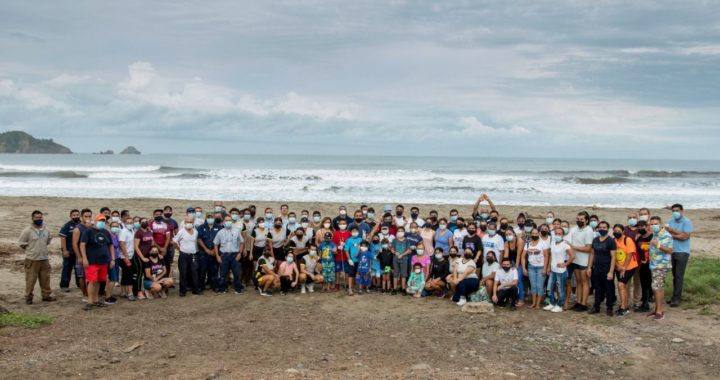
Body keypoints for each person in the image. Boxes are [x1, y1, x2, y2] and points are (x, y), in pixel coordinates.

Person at [79, 214, 115, 310]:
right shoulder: (89, 231)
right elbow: (82, 245)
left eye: (103, 221)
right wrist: (84, 258)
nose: (102, 222)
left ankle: (96, 300)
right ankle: (90, 301)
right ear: (95, 221)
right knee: (92, 281)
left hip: (103, 261)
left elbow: (110, 246)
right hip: (92, 261)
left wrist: (112, 259)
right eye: (100, 220)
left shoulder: (106, 232)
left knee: (99, 281)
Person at [19, 210, 55, 305]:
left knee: (45, 279)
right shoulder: (27, 230)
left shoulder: (46, 229)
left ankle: (46, 296)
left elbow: (48, 241)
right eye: (37, 217)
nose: (39, 219)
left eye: (40, 217)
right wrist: (31, 250)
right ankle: (28, 297)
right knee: (30, 280)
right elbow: (22, 244)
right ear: (32, 218)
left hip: (44, 259)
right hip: (32, 259)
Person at [665, 204, 693, 307]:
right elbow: (666, 233)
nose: (675, 212)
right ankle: (674, 297)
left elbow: (685, 236)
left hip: (682, 252)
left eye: (677, 210)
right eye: (673, 211)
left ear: (682, 211)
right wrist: (678, 234)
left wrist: (672, 232)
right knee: (674, 276)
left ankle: (676, 299)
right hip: (672, 251)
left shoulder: (687, 222)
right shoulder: (670, 221)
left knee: (679, 276)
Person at [587, 221, 617, 316]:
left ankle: (609, 308)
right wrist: (589, 267)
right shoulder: (595, 240)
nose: (602, 229)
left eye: (604, 227)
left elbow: (613, 257)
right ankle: (596, 307)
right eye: (600, 227)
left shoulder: (611, 241)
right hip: (597, 268)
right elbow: (592, 254)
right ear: (598, 229)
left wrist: (611, 272)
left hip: (607, 268)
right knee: (597, 288)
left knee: (608, 288)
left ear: (608, 229)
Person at [648, 216, 673, 320]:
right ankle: (657, 309)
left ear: (661, 224)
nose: (653, 226)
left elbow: (669, 250)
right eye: (652, 224)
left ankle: (660, 311)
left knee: (658, 288)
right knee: (655, 287)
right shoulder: (655, 234)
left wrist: (658, 245)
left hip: (661, 266)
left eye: (655, 224)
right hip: (654, 265)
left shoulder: (666, 235)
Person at [544, 227, 574, 313]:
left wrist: (565, 264)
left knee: (561, 289)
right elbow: (551, 256)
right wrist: (549, 266)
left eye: (559, 234)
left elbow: (572, 256)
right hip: (553, 270)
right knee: (550, 288)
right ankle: (552, 303)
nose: (557, 235)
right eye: (556, 233)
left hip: (561, 271)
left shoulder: (565, 244)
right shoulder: (553, 243)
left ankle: (560, 305)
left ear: (563, 235)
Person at [569, 211, 594, 311]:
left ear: (586, 220)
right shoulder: (574, 229)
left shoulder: (589, 230)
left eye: (582, 219)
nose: (579, 221)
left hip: (584, 261)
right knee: (578, 282)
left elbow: (588, 248)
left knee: (584, 282)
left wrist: (574, 247)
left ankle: (584, 303)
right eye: (578, 219)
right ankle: (578, 301)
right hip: (575, 259)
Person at [213, 216, 245, 294]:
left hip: (234, 255)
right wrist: (217, 256)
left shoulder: (236, 231)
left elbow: (241, 242)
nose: (228, 222)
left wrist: (240, 253)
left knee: (237, 273)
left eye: (229, 220)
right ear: (224, 222)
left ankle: (237, 289)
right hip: (224, 255)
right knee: (223, 273)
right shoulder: (220, 232)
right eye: (226, 220)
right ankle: (222, 289)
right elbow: (215, 244)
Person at [613, 224, 638, 316]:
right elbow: (613, 255)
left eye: (619, 230)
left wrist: (624, 267)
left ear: (623, 231)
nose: (617, 232)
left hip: (629, 266)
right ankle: (624, 304)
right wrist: (617, 265)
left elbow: (630, 254)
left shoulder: (627, 240)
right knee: (621, 286)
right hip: (618, 266)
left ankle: (624, 307)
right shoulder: (613, 241)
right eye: (615, 230)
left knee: (620, 284)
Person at [173, 216, 200, 296]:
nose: (189, 223)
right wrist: (179, 249)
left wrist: (196, 250)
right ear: (184, 223)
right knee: (183, 273)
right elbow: (174, 241)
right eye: (187, 222)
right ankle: (182, 291)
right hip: (183, 255)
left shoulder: (195, 231)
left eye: (191, 222)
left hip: (193, 255)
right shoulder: (181, 231)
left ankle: (195, 289)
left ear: (193, 223)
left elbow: (195, 242)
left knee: (194, 272)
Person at [523, 227, 549, 309]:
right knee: (533, 285)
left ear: (539, 234)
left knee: (540, 286)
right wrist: (524, 268)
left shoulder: (543, 243)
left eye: (536, 233)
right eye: (533, 233)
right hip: (531, 267)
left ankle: (538, 304)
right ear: (530, 234)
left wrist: (545, 268)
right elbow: (523, 256)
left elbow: (546, 256)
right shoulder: (528, 244)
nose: (534, 235)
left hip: (540, 267)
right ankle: (533, 303)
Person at [197, 213, 222, 292]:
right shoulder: (201, 227)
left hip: (214, 253)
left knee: (214, 270)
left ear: (214, 218)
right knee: (202, 270)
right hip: (203, 253)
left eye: (212, 217)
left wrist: (214, 250)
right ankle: (201, 286)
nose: (210, 218)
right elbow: (199, 239)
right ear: (206, 218)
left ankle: (214, 286)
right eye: (208, 217)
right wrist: (206, 249)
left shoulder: (219, 227)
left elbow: (221, 239)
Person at [71, 208, 93, 299]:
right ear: (82, 217)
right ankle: (84, 294)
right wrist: (79, 257)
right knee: (81, 276)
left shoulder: (92, 227)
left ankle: (91, 293)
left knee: (90, 276)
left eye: (89, 216)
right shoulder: (78, 229)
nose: (87, 218)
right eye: (86, 216)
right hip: (81, 255)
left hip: (91, 255)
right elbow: (74, 244)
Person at [632, 220, 653, 312]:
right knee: (644, 284)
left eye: (642, 226)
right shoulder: (639, 238)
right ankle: (645, 303)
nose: (640, 228)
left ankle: (647, 301)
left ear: (646, 226)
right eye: (638, 227)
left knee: (649, 284)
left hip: (652, 264)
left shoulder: (652, 237)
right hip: (642, 264)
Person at [58, 209, 81, 292]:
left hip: (79, 251)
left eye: (77, 215)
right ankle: (64, 285)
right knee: (67, 268)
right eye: (74, 215)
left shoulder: (81, 224)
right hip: (69, 251)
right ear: (71, 216)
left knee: (79, 268)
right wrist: (64, 250)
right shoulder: (67, 225)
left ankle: (80, 284)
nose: (76, 216)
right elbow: (63, 238)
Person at [133, 217, 155, 299]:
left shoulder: (149, 232)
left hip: (147, 256)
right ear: (140, 223)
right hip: (139, 257)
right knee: (139, 274)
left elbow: (152, 244)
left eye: (146, 221)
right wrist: (141, 257)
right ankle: (138, 291)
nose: (145, 223)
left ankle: (146, 290)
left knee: (147, 274)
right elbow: (136, 246)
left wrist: (154, 254)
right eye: (142, 222)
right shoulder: (138, 233)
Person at [118, 216, 137, 300]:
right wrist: (126, 257)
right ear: (125, 223)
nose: (129, 224)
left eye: (131, 222)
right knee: (129, 274)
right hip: (124, 257)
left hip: (131, 256)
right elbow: (121, 244)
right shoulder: (123, 231)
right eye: (128, 223)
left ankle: (123, 292)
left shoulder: (132, 231)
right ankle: (130, 293)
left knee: (126, 274)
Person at [105, 221, 122, 304]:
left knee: (111, 278)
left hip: (116, 258)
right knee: (113, 278)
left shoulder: (117, 236)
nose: (115, 227)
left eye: (117, 226)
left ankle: (108, 294)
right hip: (111, 259)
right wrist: (112, 259)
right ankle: (108, 297)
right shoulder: (109, 236)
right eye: (113, 226)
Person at [344, 226, 363, 295]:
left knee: (359, 274)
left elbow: (364, 248)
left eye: (356, 231)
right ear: (351, 232)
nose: (355, 232)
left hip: (360, 260)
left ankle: (359, 288)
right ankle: (350, 289)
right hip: (352, 260)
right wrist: (349, 259)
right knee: (351, 275)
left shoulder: (360, 239)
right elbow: (346, 250)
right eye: (353, 231)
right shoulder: (349, 240)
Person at [391, 226, 410, 295]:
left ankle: (403, 288)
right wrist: (395, 252)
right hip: (395, 258)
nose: (400, 232)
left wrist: (402, 255)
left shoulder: (407, 240)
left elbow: (408, 250)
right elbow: (392, 249)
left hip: (404, 259)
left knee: (403, 274)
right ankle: (395, 289)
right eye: (399, 231)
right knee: (395, 274)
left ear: (404, 232)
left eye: (402, 231)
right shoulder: (394, 240)